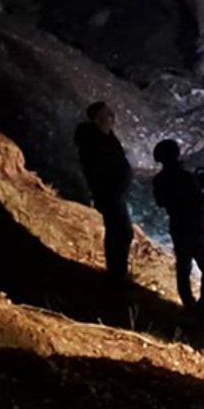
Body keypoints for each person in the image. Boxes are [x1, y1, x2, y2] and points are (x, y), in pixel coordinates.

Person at [152, 139, 204, 313]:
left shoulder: (159, 180)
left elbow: (160, 202)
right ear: (177, 154)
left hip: (178, 228)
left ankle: (188, 303)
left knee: (183, 266)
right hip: (197, 229)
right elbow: (199, 202)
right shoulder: (187, 178)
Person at [74, 101, 134, 282]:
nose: (112, 118)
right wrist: (113, 188)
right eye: (108, 115)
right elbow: (99, 170)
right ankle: (117, 273)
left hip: (114, 194)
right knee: (121, 232)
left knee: (118, 231)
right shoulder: (94, 142)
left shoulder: (105, 138)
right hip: (110, 194)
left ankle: (117, 271)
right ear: (97, 119)